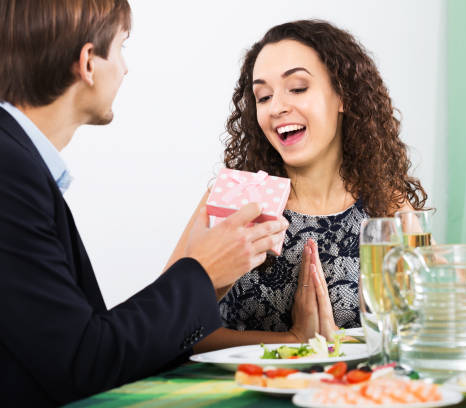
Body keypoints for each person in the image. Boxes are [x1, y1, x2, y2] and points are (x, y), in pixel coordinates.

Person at [0, 1, 287, 406]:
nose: (125, 68)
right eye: (121, 47)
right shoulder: (9, 169)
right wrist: (200, 271)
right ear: (87, 63)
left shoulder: (20, 163)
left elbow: (81, 345)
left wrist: (212, 278)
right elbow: (85, 365)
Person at [170, 20, 428, 352]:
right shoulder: (237, 199)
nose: (277, 107)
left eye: (298, 88)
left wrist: (334, 343)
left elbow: (424, 327)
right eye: (263, 96)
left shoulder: (388, 206)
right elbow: (170, 329)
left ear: (343, 97)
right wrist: (292, 342)